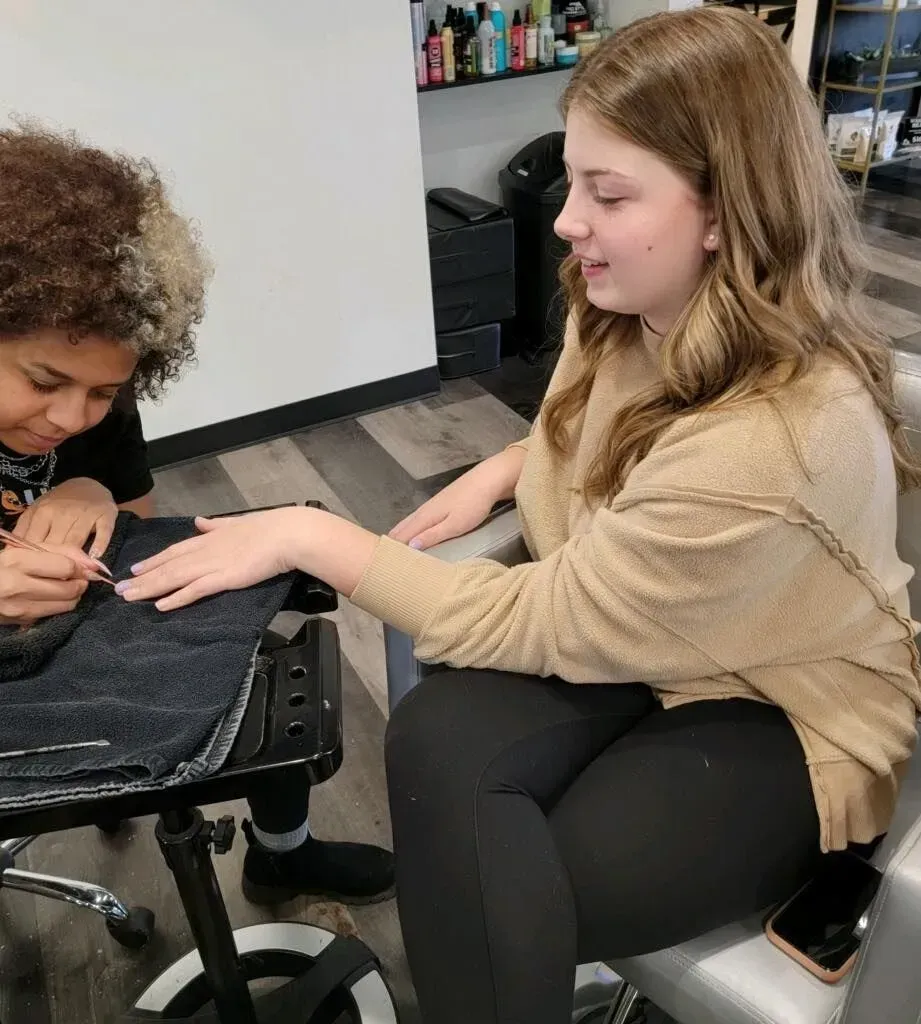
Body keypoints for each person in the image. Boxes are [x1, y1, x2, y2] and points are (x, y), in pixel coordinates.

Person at [120, 7, 921, 1023]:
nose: (563, 217)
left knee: (517, 889)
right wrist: (515, 459)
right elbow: (615, 440)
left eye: (608, 191)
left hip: (781, 701)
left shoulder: (775, 437)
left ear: (725, 210)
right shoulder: (624, 298)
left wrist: (307, 532)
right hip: (651, 638)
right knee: (435, 747)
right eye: (575, 177)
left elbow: (542, 616)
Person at [0, 124, 394, 906]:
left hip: (47, 620)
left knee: (254, 648)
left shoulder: (96, 400)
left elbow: (138, 537)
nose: (70, 417)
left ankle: (282, 852)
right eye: (44, 380)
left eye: (102, 392)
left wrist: (94, 493)